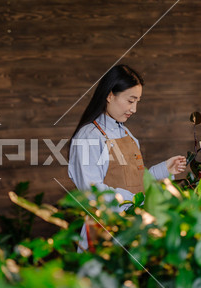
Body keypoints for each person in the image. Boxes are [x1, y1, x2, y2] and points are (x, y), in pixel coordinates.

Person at [68, 64, 186, 252]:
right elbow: (93, 193)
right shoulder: (88, 136)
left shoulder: (126, 133)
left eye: (137, 101)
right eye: (130, 101)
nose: (134, 109)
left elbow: (135, 181)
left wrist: (165, 169)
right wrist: (137, 202)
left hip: (134, 229)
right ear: (110, 95)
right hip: (105, 232)